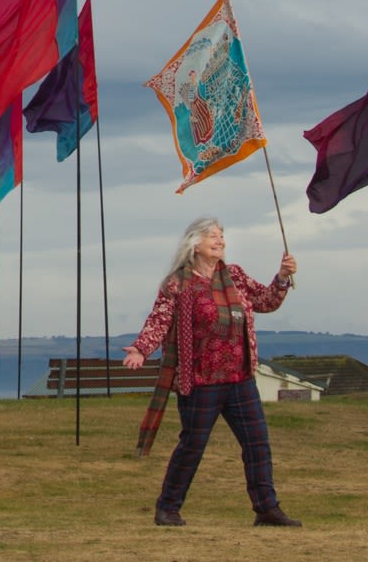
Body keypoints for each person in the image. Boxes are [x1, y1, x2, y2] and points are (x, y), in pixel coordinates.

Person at [123, 216, 300, 528]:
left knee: (258, 444)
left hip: (240, 379)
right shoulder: (179, 283)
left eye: (221, 236)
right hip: (201, 380)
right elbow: (160, 319)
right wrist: (141, 348)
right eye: (213, 237)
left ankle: (267, 510)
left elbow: (265, 301)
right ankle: (168, 508)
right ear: (195, 244)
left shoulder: (235, 276)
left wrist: (282, 277)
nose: (220, 242)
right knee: (192, 445)